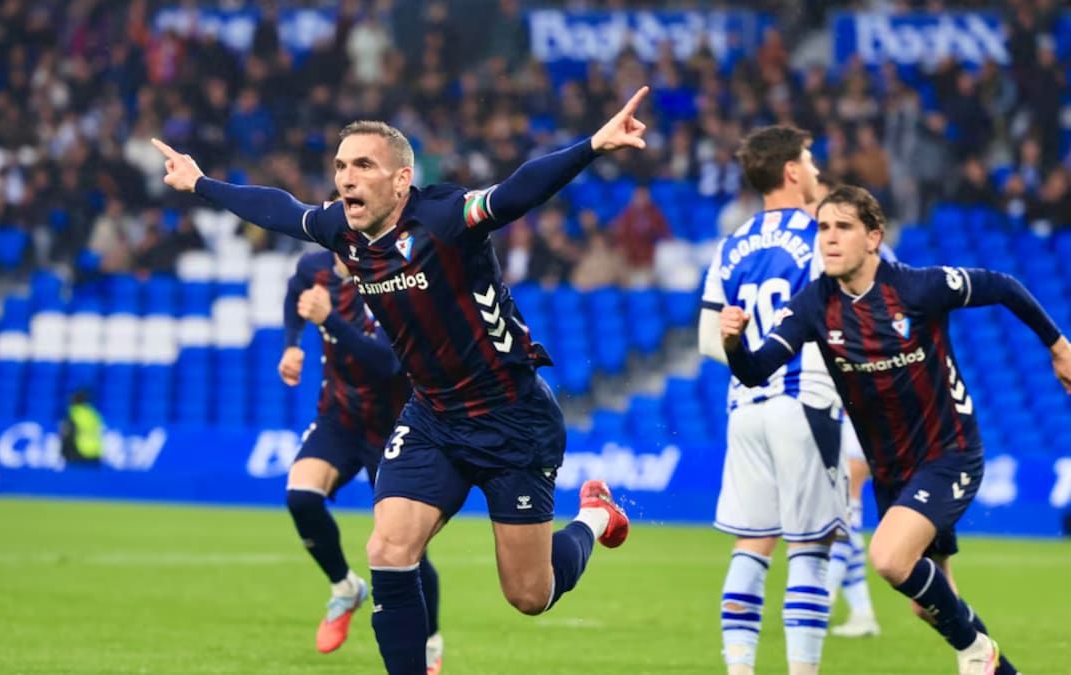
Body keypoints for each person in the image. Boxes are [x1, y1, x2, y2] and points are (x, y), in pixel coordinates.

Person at [152, 87, 649, 675]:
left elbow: (518, 191)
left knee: (529, 595)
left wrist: (592, 145)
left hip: (511, 416)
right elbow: (280, 209)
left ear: (401, 178)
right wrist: (201, 182)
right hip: (434, 417)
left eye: (363, 165)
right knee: (387, 549)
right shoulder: (344, 231)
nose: (346, 178)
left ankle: (594, 518)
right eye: (340, 165)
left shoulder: (444, 218)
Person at [721, 184, 1071, 675]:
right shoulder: (813, 306)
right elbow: (757, 371)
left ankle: (976, 653)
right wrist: (735, 344)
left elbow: (1003, 285)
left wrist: (1058, 345)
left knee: (888, 558)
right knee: (928, 603)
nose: (830, 238)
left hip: (949, 454)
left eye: (843, 227)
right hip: (894, 472)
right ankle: (993, 663)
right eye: (823, 227)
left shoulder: (916, 288)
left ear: (873, 237)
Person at [698, 126, 846, 675]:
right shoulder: (818, 233)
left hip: (746, 408)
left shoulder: (732, 242)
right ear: (790, 170)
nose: (812, 168)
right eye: (808, 158)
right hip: (804, 401)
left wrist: (750, 350)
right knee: (810, 550)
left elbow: (708, 340)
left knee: (751, 547)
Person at [280, 250, 444, 672]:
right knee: (301, 496)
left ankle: (429, 637)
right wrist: (292, 344)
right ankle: (345, 587)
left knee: (406, 548)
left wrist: (328, 319)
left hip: (395, 427)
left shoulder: (391, 281)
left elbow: (388, 363)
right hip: (338, 416)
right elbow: (294, 293)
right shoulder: (313, 269)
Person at [807, 174, 881, 638]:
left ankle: (824, 599)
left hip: (864, 400)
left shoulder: (872, 269)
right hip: (842, 397)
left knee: (845, 504)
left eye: (840, 225)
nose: (830, 235)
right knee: (843, 506)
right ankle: (862, 613)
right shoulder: (825, 270)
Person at [59, 389, 104, 466]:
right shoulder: (93, 413)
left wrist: (62, 452)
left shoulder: (73, 413)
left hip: (79, 453)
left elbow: (66, 434)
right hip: (96, 453)